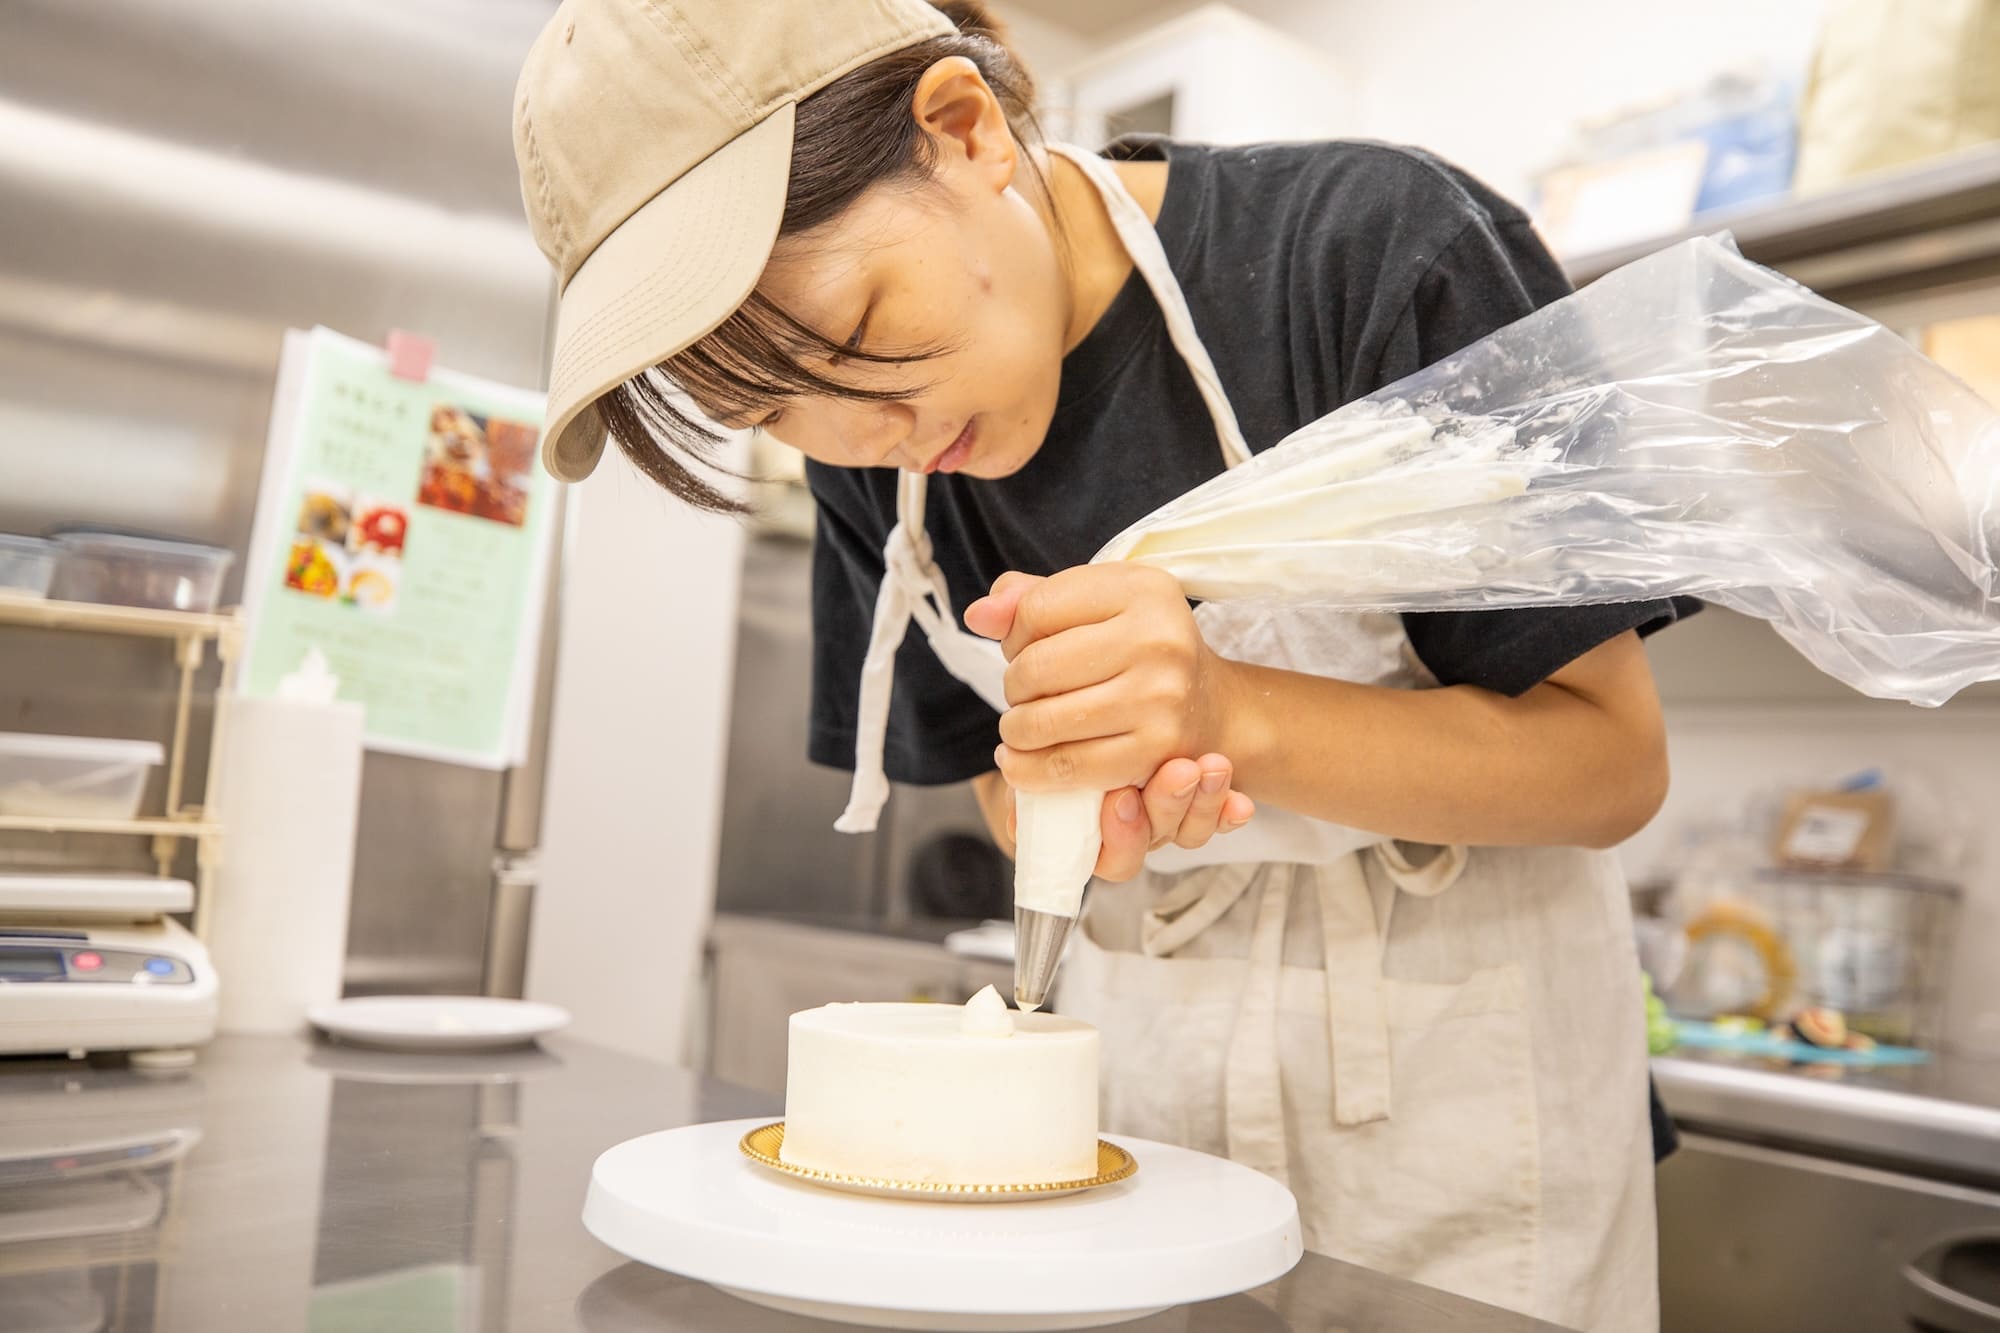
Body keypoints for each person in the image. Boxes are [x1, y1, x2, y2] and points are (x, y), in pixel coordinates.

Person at [513, 2, 1691, 1327]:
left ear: (964, 133)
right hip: (1138, 1115)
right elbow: (1005, 800)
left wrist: (1228, 711)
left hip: (1459, 1114)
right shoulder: (875, 473)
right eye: (771, 406)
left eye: (855, 333)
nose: (863, 436)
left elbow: (1610, 762)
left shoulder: (1368, 254)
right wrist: (1091, 799)